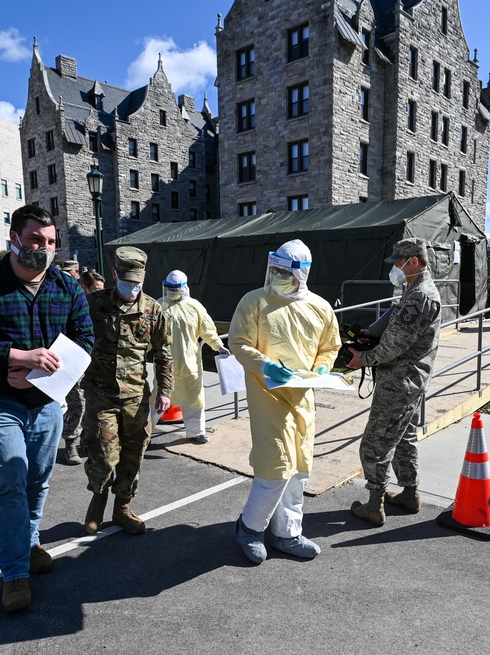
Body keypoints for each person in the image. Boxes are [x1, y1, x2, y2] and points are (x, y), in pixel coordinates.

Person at [0, 205, 93, 612]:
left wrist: (39, 377)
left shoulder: (67, 287)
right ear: (14, 238)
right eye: (34, 240)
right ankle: (13, 574)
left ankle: (27, 543)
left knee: (38, 481)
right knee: (10, 476)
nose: (43, 248)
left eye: (49, 242)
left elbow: (84, 342)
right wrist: (14, 357)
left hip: (46, 402)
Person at [228, 239, 340, 564]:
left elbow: (329, 346)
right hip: (267, 393)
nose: (275, 275)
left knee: (300, 469)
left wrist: (322, 367)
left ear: (301, 275)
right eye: (273, 269)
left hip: (303, 396)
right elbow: (239, 341)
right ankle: (249, 529)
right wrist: (265, 366)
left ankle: (287, 533)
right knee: (275, 467)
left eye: (283, 271)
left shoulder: (320, 307)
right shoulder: (255, 301)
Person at [345, 238, 442, 526]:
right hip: (410, 380)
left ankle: (374, 505)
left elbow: (395, 347)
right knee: (403, 438)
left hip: (400, 381)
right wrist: (370, 335)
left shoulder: (419, 296)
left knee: (374, 444)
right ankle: (410, 494)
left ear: (413, 261)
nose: (395, 268)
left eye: (398, 263)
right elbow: (396, 333)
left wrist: (361, 359)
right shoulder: (413, 291)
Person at [80, 246, 173, 536]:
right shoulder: (93, 303)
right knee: (105, 456)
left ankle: (122, 507)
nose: (131, 287)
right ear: (114, 274)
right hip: (101, 394)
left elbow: (163, 351)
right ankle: (98, 500)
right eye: (126, 281)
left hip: (136, 395)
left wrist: (165, 389)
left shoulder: (153, 309)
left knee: (134, 454)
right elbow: (73, 338)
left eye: (137, 283)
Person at [156, 270, 229, 444]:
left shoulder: (195, 307)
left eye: (176, 288)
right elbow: (148, 334)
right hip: (165, 363)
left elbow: (208, 330)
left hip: (190, 363)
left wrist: (218, 346)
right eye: (170, 288)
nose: (173, 291)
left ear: (184, 287)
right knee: (157, 400)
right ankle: (144, 434)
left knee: (195, 399)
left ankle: (196, 432)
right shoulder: (158, 306)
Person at [57, 269, 104, 466]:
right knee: (79, 404)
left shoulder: (103, 306)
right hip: (75, 362)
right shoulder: (72, 306)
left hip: (98, 363)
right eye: (96, 289)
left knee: (96, 404)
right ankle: (71, 443)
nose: (100, 293)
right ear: (84, 288)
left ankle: (88, 439)